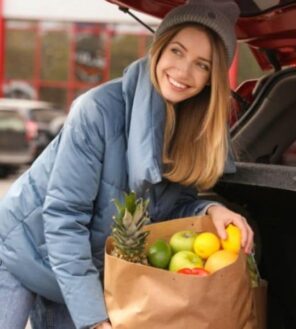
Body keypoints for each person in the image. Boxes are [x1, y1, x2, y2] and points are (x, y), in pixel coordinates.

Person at [0, 1, 255, 328]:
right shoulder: (98, 111)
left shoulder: (194, 133)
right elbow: (64, 218)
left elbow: (169, 209)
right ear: (159, 49)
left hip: (86, 271)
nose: (183, 71)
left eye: (201, 64)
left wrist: (208, 211)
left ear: (211, 78)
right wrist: (94, 318)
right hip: (24, 249)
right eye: (177, 51)